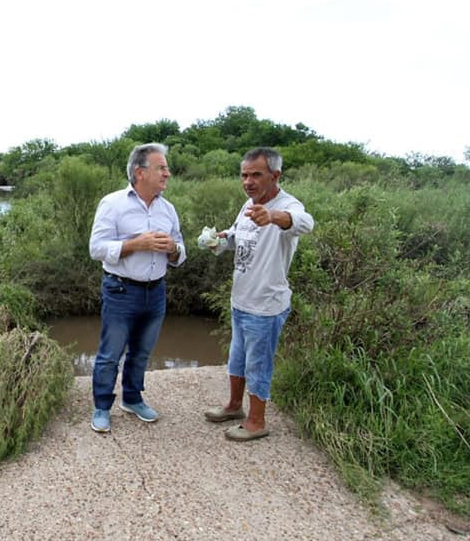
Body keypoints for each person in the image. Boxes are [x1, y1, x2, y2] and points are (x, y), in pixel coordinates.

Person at [201, 147, 314, 441]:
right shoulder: (247, 205)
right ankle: (234, 406)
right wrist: (220, 240)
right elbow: (238, 236)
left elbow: (305, 222)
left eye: (256, 175)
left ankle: (257, 422)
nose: (248, 182)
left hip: (265, 305)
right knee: (237, 359)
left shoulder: (288, 205)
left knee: (258, 364)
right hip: (241, 300)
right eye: (244, 175)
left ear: (274, 176)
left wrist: (274, 216)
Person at [87, 143, 186, 433]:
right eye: (161, 168)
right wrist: (135, 245)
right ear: (140, 172)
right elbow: (96, 248)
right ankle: (102, 406)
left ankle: (132, 399)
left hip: (156, 292)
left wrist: (173, 249)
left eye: (166, 168)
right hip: (121, 290)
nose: (167, 173)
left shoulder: (168, 209)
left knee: (141, 352)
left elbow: (181, 251)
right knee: (110, 354)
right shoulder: (113, 204)